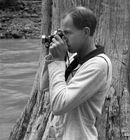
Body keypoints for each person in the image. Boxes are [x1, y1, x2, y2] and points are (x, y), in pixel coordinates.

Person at [41, 6, 112, 140]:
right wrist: (53, 56)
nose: (64, 38)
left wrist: (58, 61)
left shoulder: (98, 64)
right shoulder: (75, 58)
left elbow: (58, 105)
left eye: (67, 33)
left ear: (85, 32)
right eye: (62, 33)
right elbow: (44, 86)